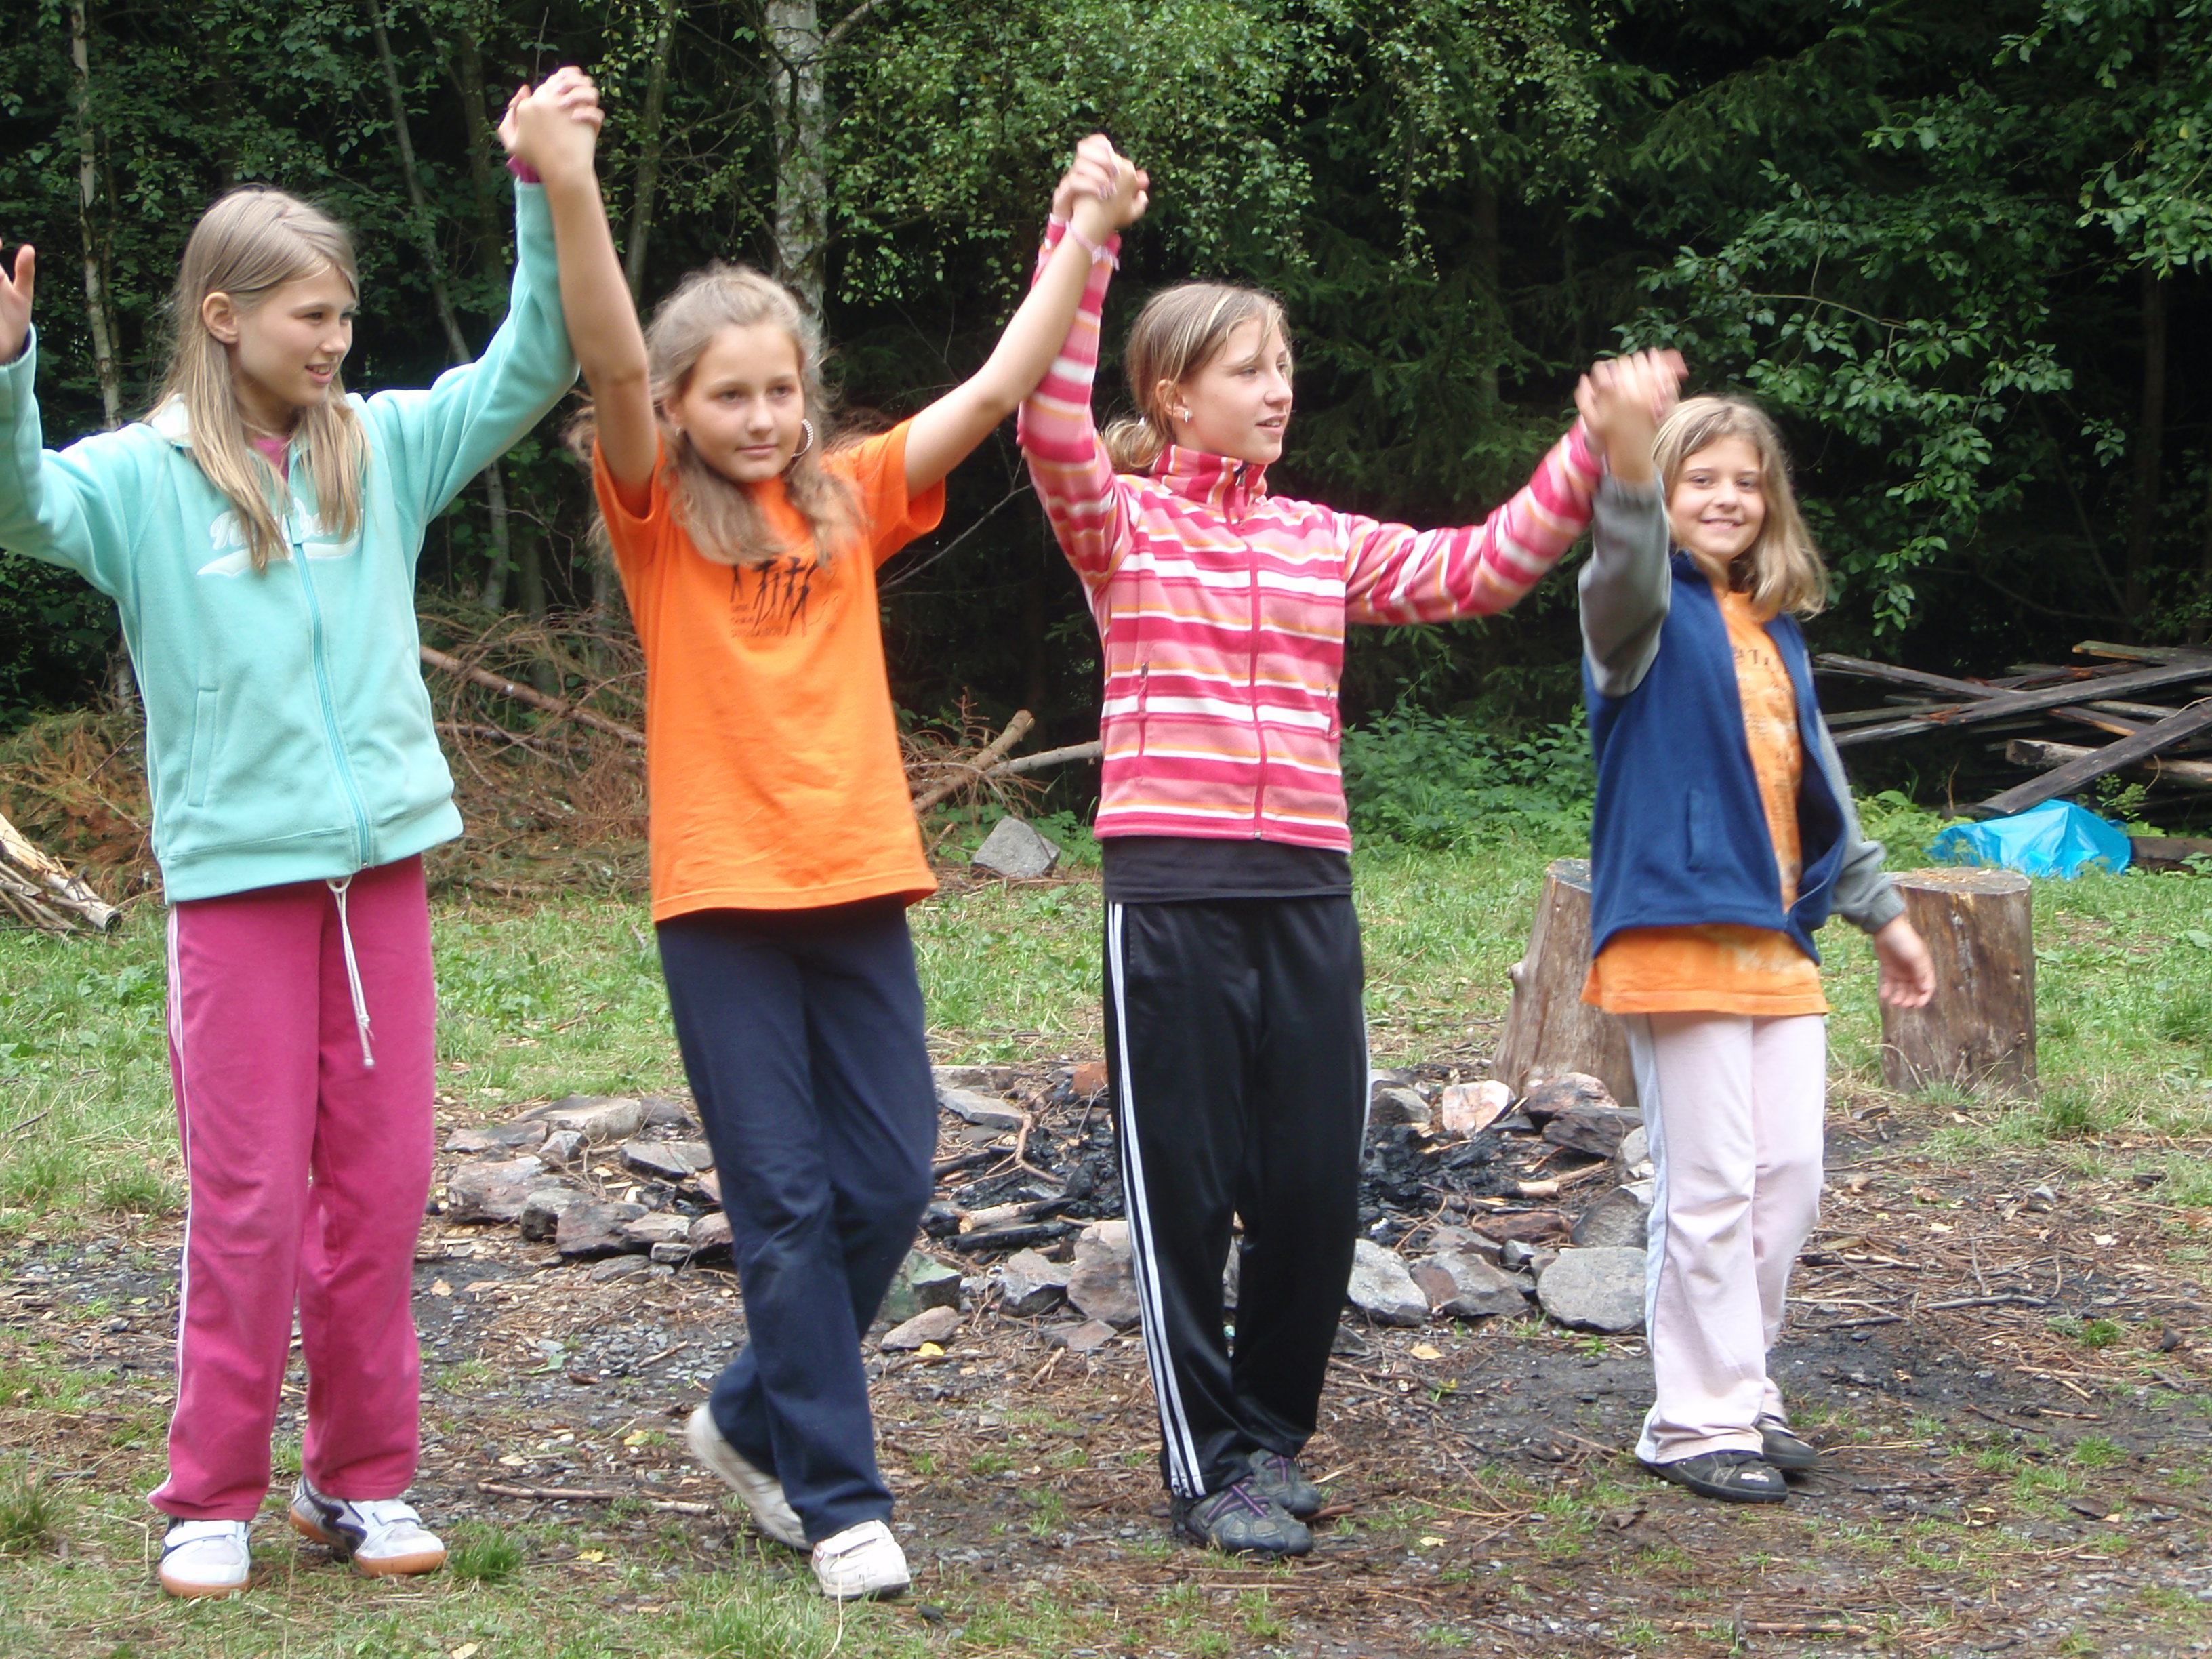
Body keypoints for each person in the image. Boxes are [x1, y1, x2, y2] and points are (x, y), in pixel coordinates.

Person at [0, 74, 608, 1595]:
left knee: (382, 1195)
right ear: (223, 318)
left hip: (379, 876)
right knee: (252, 1202)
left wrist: (541, 187)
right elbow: (21, 511)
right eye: (309, 316)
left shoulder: (381, 447)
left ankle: (360, 1484)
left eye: (344, 314)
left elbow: (534, 361)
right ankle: (209, 1494)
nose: (336, 339)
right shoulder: (138, 479)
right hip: (236, 892)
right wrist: (9, 373)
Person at [546, 114, 1149, 1597]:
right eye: (728, 395)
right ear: (680, 409)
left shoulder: (848, 494)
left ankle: (748, 1418)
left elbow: (999, 387)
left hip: (860, 887)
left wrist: (1085, 232)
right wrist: (570, 182)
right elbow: (610, 363)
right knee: (783, 1204)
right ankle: (837, 1500)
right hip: (722, 906)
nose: (760, 417)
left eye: (781, 390)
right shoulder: (656, 516)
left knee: (887, 1181)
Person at [1017, 221, 1683, 1553]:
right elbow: (1045, 416)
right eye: (1249, 370)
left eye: (1284, 366)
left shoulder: (1316, 538)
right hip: (1173, 896)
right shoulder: (1124, 527)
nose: (1280, 390)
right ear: (1172, 397)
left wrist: (1594, 448)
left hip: (1310, 894)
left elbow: (1482, 570)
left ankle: (1269, 1435)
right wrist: (1083, 240)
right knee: (1184, 1198)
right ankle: (1206, 1466)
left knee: (1317, 1192)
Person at [1575, 386, 1937, 1503]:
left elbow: (1818, 781)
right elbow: (1622, 562)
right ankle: (1694, 1419)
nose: (1728, 497)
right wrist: (1627, 468)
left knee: (1788, 1180)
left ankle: (1743, 1380)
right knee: (1711, 1185)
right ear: (1664, 493)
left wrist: (1884, 913)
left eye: (1748, 481)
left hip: (1778, 939)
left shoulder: (1772, 626)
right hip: (1673, 929)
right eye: (1701, 479)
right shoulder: (1635, 621)